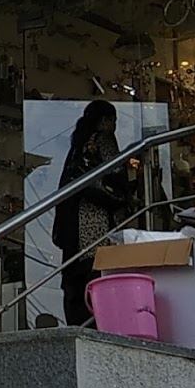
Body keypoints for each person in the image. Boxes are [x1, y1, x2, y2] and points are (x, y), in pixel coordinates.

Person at [53, 100, 131, 327]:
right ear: (105, 120)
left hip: (74, 231)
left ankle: (79, 327)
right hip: (96, 226)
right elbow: (116, 170)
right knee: (98, 283)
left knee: (76, 285)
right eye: (113, 121)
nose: (114, 126)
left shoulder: (78, 146)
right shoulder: (103, 139)